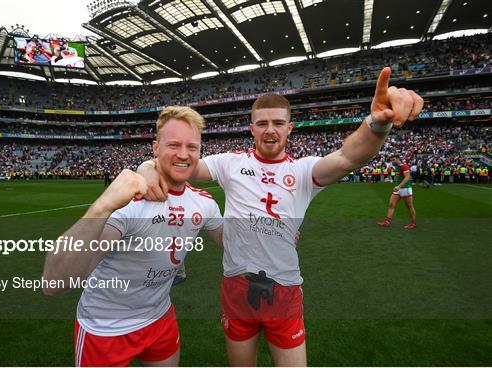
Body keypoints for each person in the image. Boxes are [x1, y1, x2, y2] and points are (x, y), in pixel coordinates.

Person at [138, 67, 424, 366]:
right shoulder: (229, 163)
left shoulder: (303, 170)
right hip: (236, 286)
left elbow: (348, 157)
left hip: (284, 289)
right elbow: (178, 165)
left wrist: (376, 125)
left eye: (278, 123)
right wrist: (148, 166)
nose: (270, 130)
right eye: (262, 123)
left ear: (290, 128)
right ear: (251, 128)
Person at [42, 106, 223, 366]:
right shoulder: (131, 204)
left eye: (192, 147)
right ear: (156, 148)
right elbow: (53, 283)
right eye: (173, 145)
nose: (184, 154)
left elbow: (233, 242)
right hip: (106, 327)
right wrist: (102, 206)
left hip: (160, 318)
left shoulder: (204, 203)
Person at [377, 155, 417, 229]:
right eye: (391, 160)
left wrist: (399, 186)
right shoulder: (397, 167)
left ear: (398, 159)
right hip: (398, 189)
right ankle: (387, 222)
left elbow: (407, 177)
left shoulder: (404, 166)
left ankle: (413, 222)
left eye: (394, 160)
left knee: (409, 206)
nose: (392, 161)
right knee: (391, 204)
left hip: (405, 189)